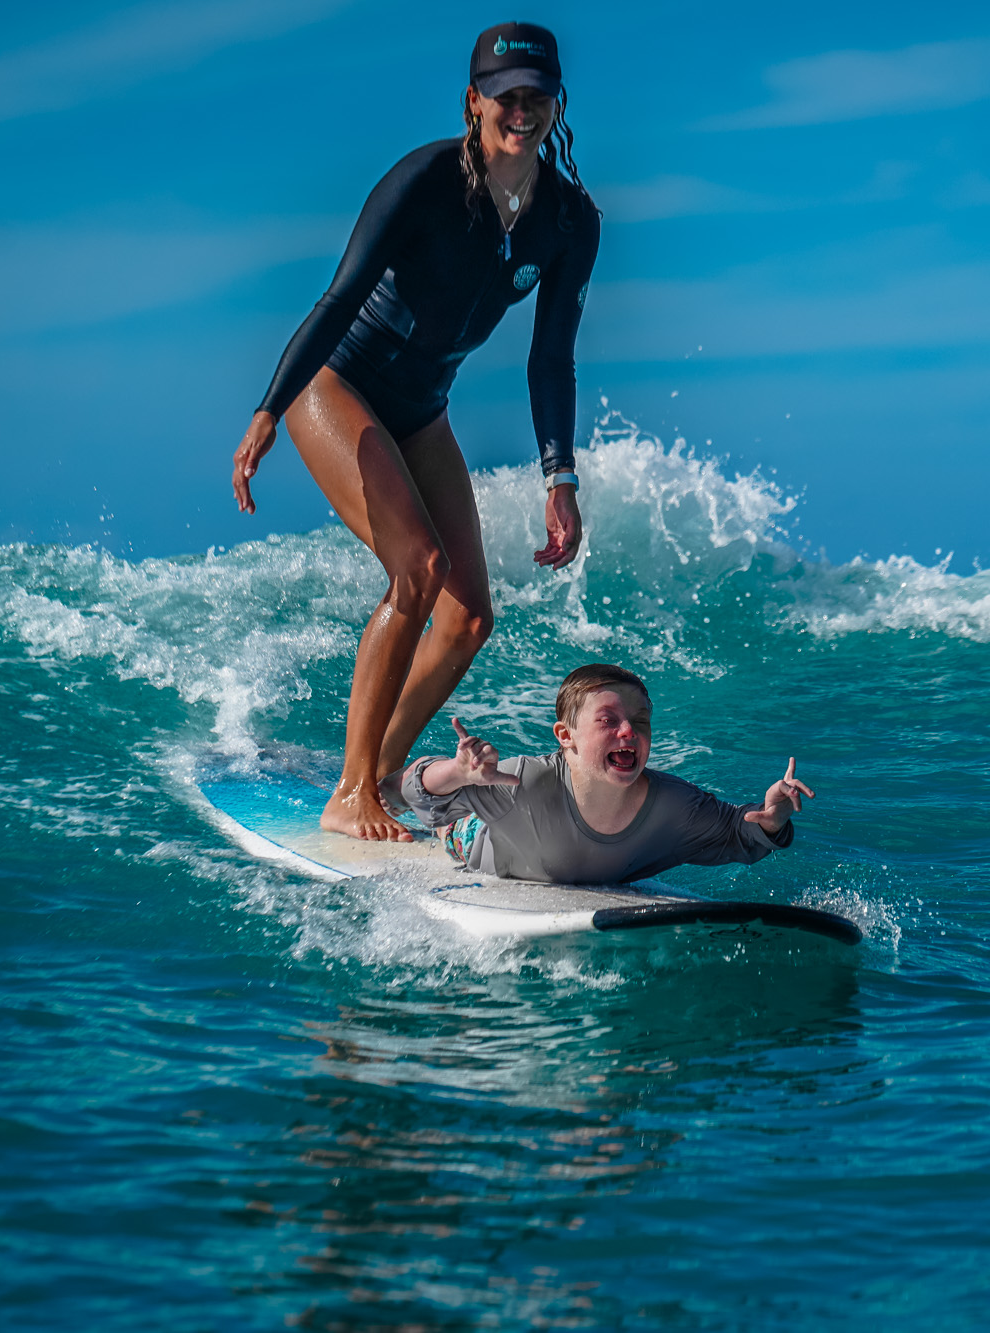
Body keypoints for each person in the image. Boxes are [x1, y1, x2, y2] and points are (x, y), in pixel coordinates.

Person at [229, 22, 600, 843]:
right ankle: (348, 792)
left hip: (423, 408)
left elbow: (551, 359)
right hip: (336, 386)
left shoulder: (569, 221)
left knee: (469, 615)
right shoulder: (425, 182)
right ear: (475, 103)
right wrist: (267, 409)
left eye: (537, 96)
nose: (523, 110)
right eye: (506, 96)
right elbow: (337, 300)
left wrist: (559, 477)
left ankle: (379, 774)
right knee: (417, 566)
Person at [397, 663, 815, 886]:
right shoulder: (522, 782)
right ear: (566, 735)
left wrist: (772, 819)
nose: (628, 731)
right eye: (608, 720)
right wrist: (455, 772)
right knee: (443, 821)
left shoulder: (672, 807)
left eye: (640, 721)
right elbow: (417, 795)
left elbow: (735, 833)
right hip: (483, 843)